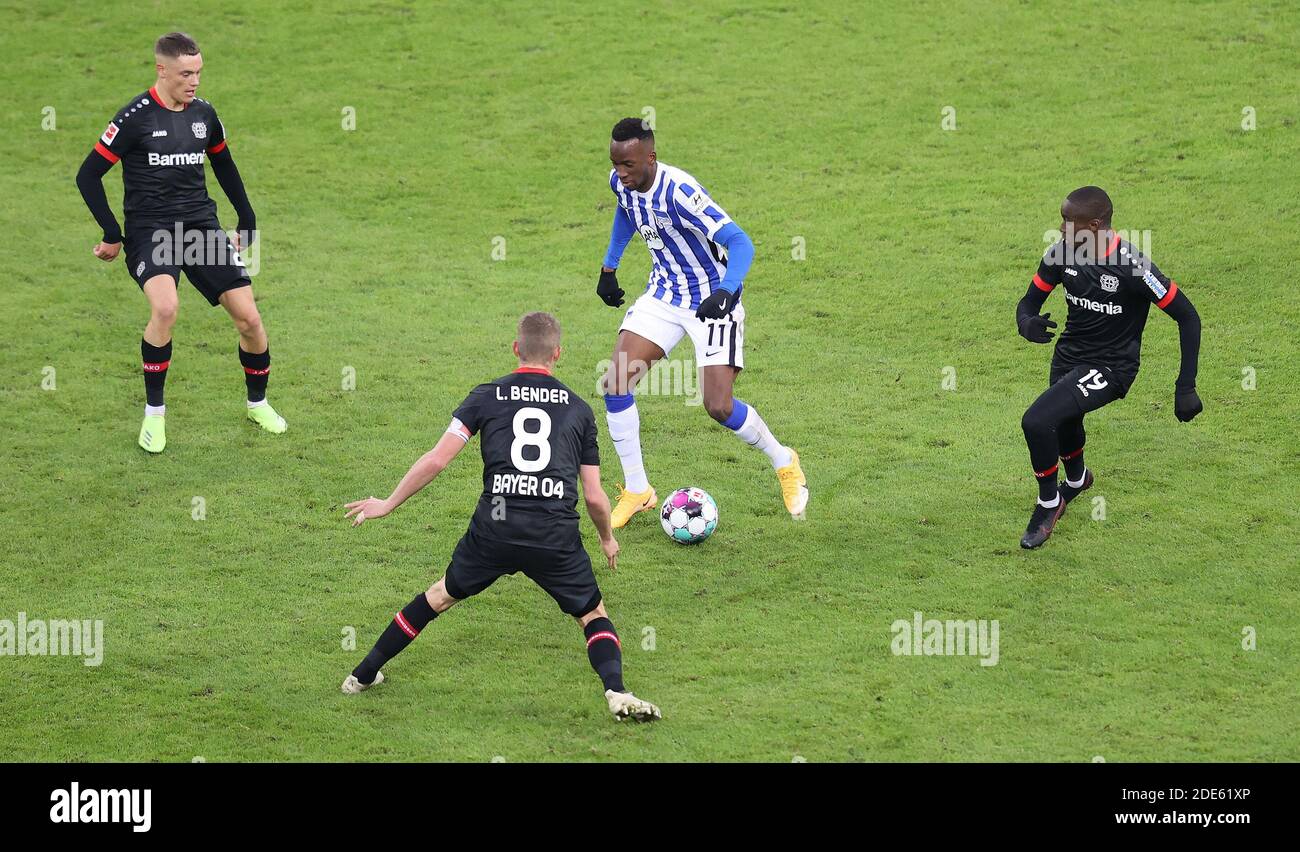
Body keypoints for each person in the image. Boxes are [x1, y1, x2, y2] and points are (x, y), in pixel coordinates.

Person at [341, 312, 660, 722]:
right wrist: (606, 539)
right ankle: (616, 691)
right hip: (553, 534)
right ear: (558, 354)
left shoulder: (486, 396)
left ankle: (362, 675)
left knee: (439, 597)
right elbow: (596, 498)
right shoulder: (579, 411)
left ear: (515, 350)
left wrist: (386, 503)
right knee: (593, 615)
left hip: (494, 529)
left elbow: (437, 460)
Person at [75, 31, 286, 453]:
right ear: (162, 70)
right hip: (150, 231)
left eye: (199, 73)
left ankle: (257, 403)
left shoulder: (204, 114)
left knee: (249, 319)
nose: (195, 81)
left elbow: (224, 164)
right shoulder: (135, 117)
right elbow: (88, 175)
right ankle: (155, 416)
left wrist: (247, 217)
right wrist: (111, 233)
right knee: (166, 307)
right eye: (186, 73)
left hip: (200, 228)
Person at [595, 117, 807, 527]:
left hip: (713, 301)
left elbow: (740, 242)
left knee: (718, 406)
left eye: (629, 166)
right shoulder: (621, 183)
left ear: (650, 158)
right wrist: (609, 266)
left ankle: (784, 460)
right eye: (615, 164)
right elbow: (625, 213)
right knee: (616, 382)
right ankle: (638, 489)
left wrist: (727, 290)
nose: (621, 174)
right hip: (664, 294)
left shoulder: (681, 192)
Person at [1016, 186, 1203, 548]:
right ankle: (1076, 481)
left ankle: (1048, 503)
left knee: (1037, 421)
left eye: (1068, 220)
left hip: (1112, 367)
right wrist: (1027, 322)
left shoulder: (1133, 267)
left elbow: (1188, 317)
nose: (1060, 226)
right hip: (1069, 356)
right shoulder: (1060, 254)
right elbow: (1029, 301)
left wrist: (1185, 386)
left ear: (1096, 225)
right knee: (1065, 420)